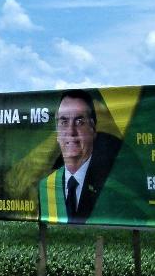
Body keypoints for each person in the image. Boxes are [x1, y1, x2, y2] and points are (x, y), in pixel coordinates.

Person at [37, 89, 120, 224]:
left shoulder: (111, 185)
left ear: (93, 128)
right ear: (57, 132)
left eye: (79, 121)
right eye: (64, 122)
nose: (71, 132)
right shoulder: (45, 186)